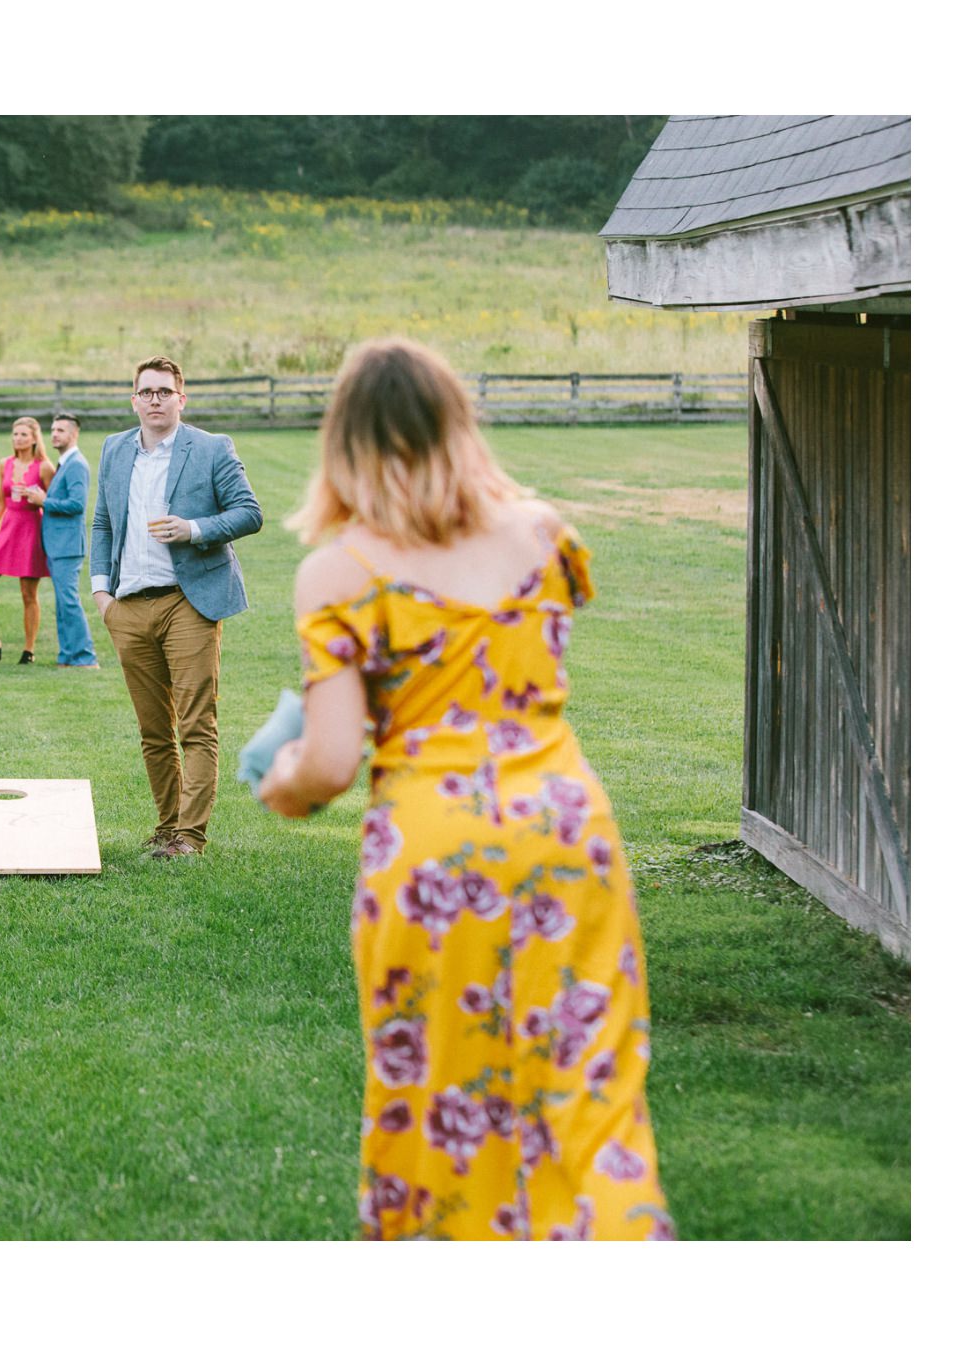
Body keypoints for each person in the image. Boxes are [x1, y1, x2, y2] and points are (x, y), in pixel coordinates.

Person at [257, 337, 673, 1241]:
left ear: (346, 442)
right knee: (584, 1082)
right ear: (458, 421)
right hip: (565, 825)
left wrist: (284, 785)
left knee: (440, 1085)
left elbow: (329, 763)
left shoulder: (339, 574)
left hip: (433, 841)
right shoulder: (545, 533)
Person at [90, 357, 263, 858]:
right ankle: (166, 828)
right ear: (134, 400)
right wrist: (103, 594)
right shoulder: (114, 449)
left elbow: (249, 513)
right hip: (128, 607)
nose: (155, 400)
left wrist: (194, 529)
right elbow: (102, 523)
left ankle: (190, 836)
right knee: (152, 729)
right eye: (146, 392)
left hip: (189, 600)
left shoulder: (210, 448)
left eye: (165, 392)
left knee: (195, 723)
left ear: (181, 399)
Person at [0, 415, 54, 664]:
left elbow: (53, 504)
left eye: (24, 434)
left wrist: (39, 499)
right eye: (15, 434)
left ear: (34, 438)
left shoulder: (45, 467)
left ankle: (29, 650)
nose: (18, 438)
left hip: (31, 531)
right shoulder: (4, 463)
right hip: (7, 529)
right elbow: (0, 501)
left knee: (28, 593)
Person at [40, 413, 98, 669]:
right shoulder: (64, 463)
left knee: (69, 601)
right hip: (57, 545)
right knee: (62, 603)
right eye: (53, 429)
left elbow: (77, 505)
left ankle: (85, 656)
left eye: (60, 430)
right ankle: (67, 656)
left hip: (68, 546)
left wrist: (42, 500)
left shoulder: (76, 464)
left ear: (74, 434)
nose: (54, 434)